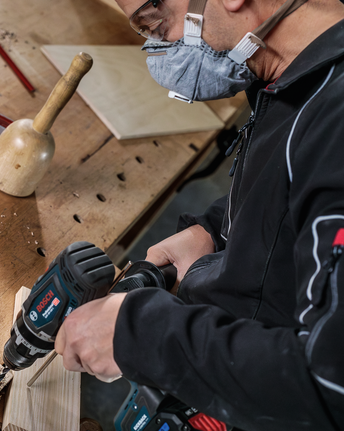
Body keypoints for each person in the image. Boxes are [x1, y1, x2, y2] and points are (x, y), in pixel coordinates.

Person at [53, 0, 344, 429]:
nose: (163, 48)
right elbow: (298, 182)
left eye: (157, 20)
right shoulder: (293, 68)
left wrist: (142, 336)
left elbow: (330, 387)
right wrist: (219, 231)